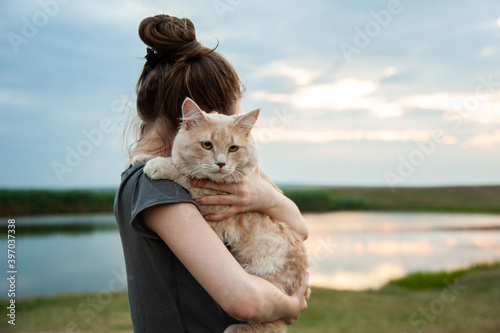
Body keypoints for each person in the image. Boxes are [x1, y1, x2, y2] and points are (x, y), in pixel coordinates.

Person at [114, 14, 309, 332]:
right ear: (200, 117)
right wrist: (289, 304)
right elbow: (244, 302)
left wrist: (264, 197)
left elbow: (299, 229)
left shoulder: (185, 177)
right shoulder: (157, 184)